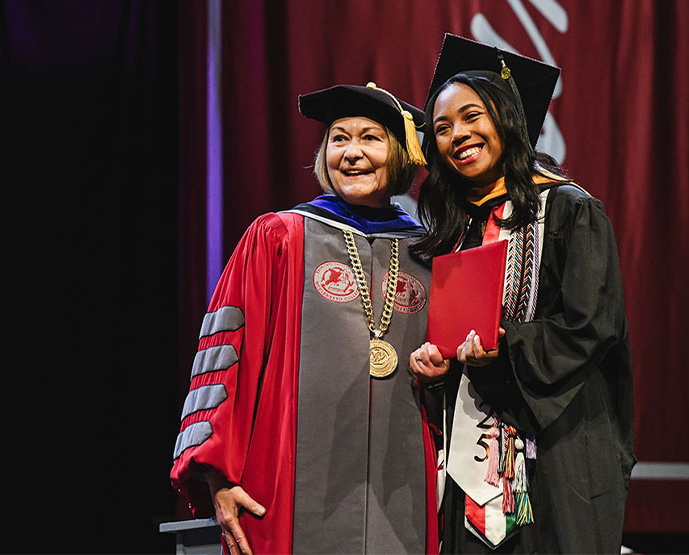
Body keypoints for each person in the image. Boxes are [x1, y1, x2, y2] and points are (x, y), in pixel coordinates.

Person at [171, 82, 440, 554]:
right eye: (339, 138)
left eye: (370, 138)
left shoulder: (429, 254)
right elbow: (225, 361)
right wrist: (217, 477)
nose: (352, 153)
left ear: (400, 154)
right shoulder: (279, 238)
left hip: (407, 500)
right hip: (284, 497)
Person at [409, 34, 634, 553]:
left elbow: (590, 328)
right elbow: (454, 343)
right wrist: (440, 367)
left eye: (471, 117)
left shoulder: (569, 210)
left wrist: (504, 346)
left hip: (560, 453)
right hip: (470, 461)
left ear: (507, 120)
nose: (456, 135)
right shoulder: (455, 230)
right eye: (441, 128)